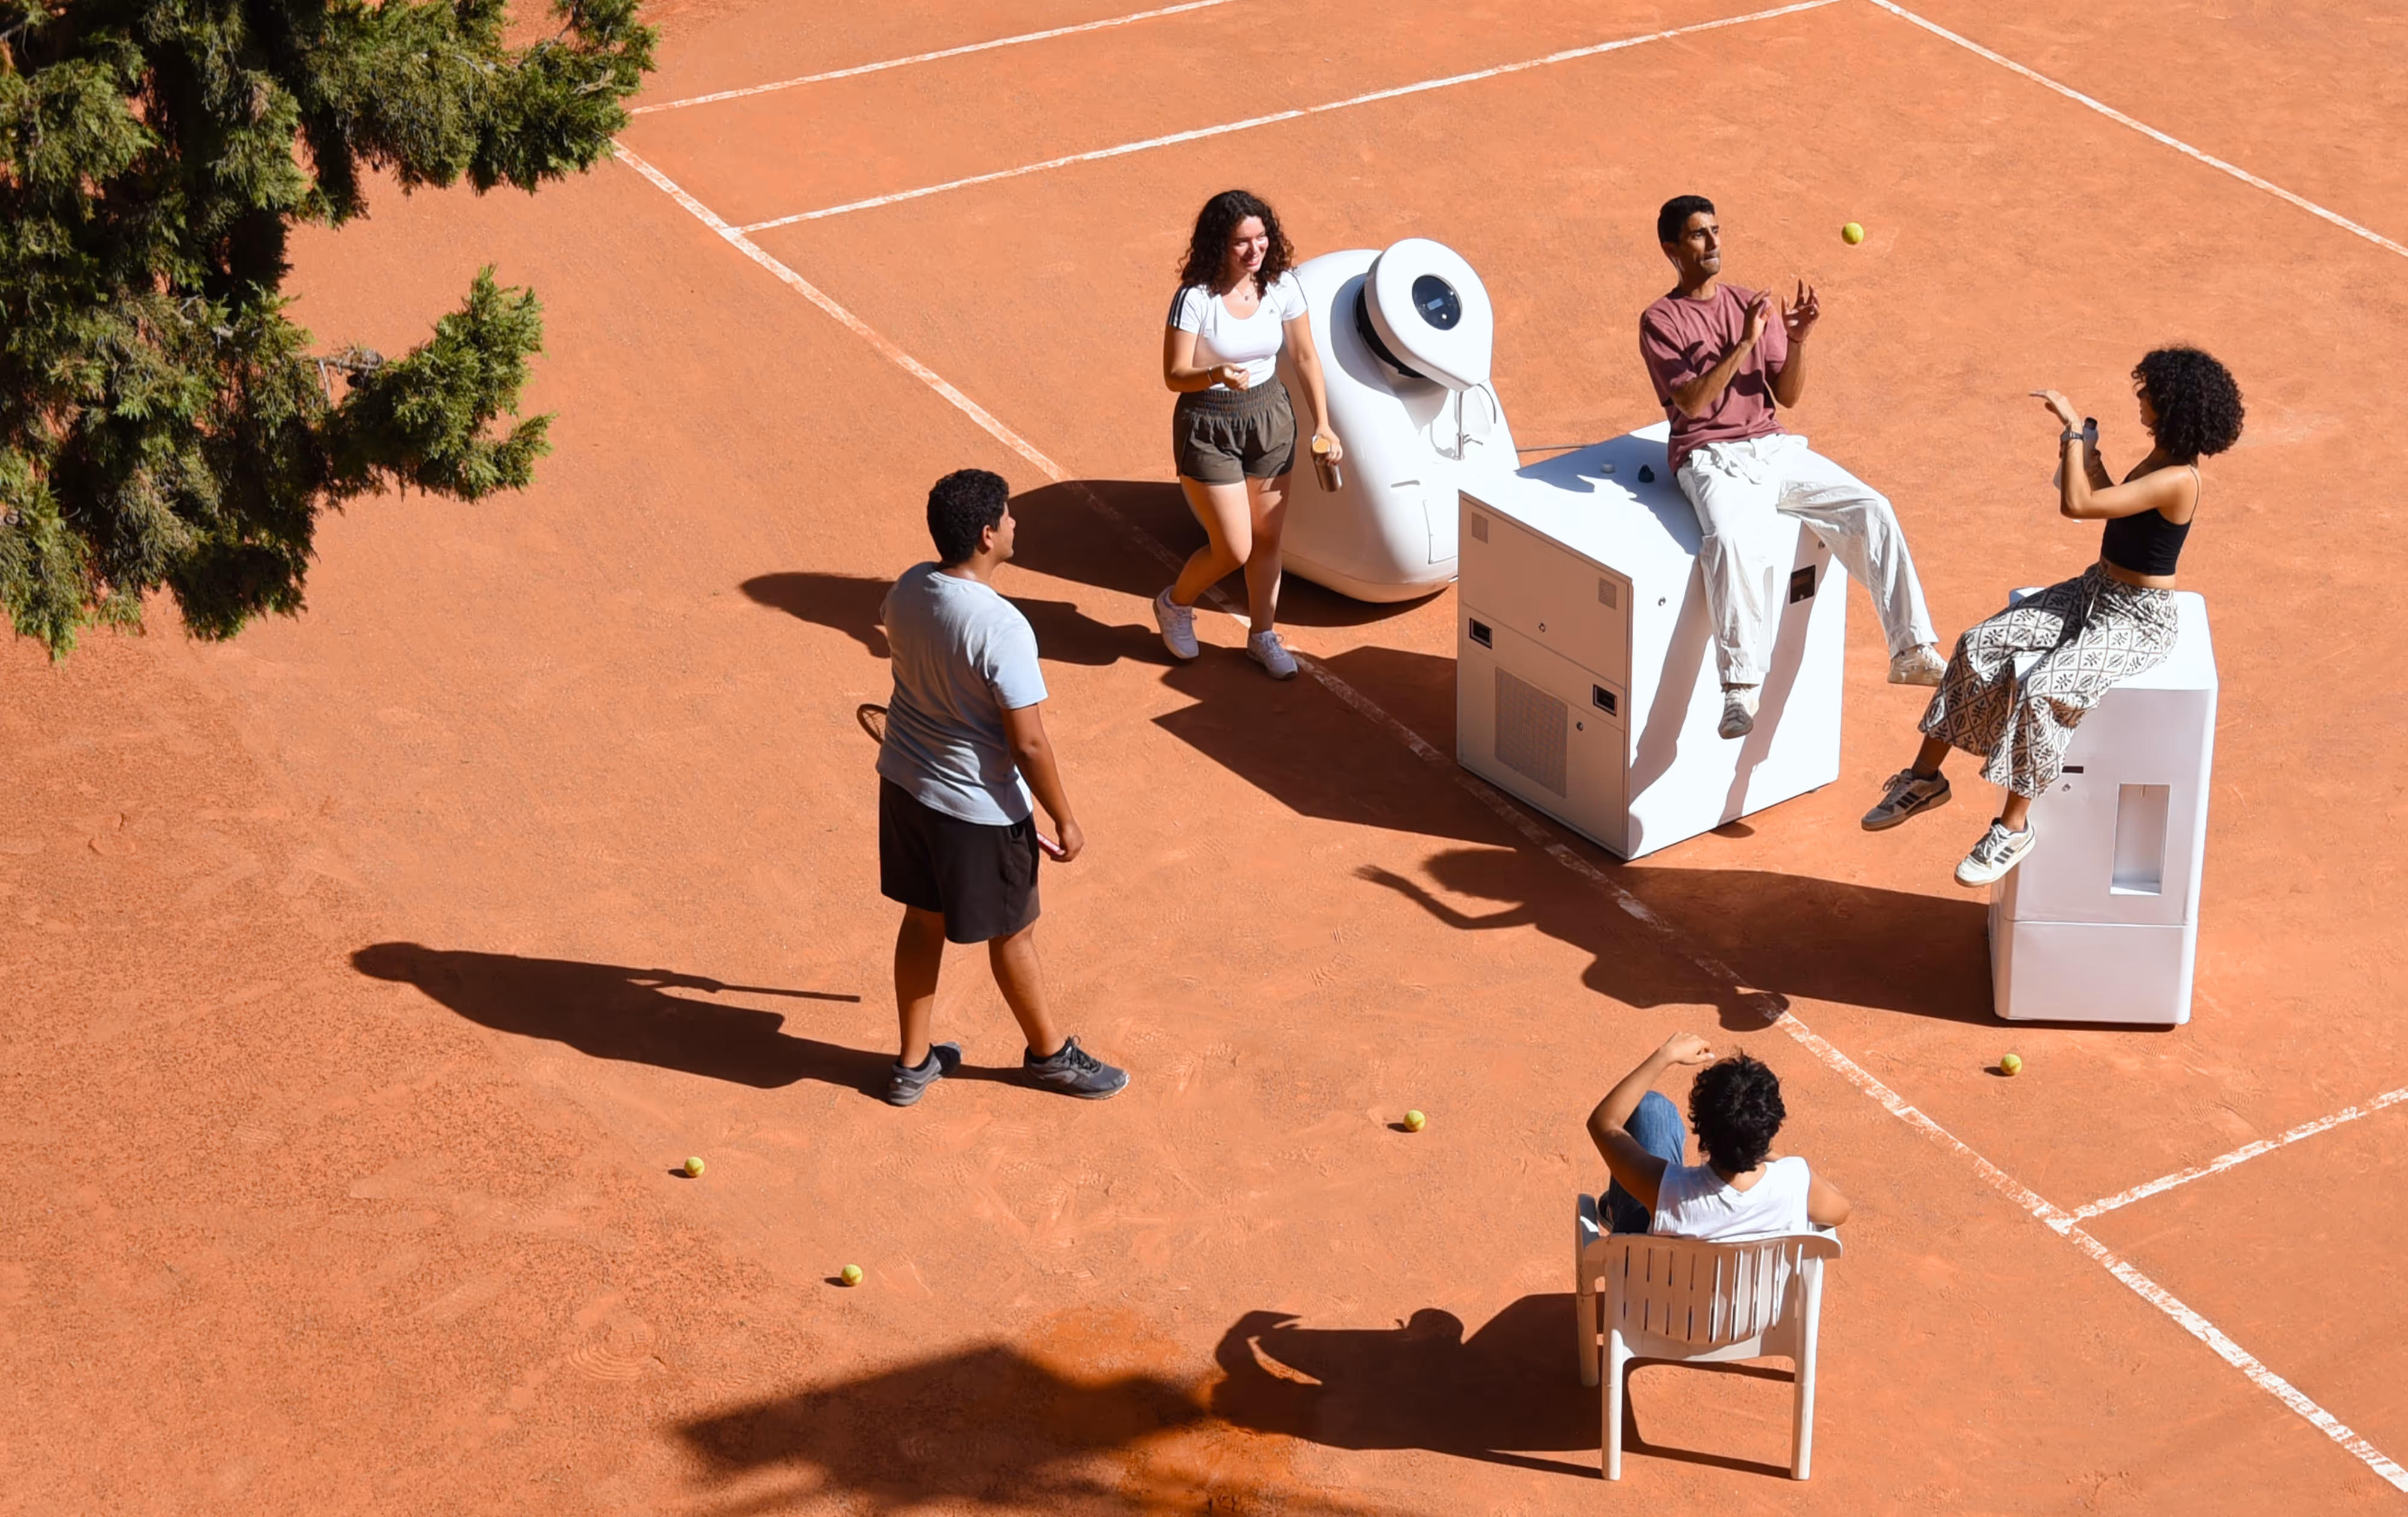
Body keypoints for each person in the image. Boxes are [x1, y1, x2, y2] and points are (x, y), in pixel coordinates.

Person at [1863, 347, 2245, 886]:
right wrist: (2087, 449)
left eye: (2149, 392)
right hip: (2095, 590)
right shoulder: (2161, 457)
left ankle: (2013, 827)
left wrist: (2070, 440)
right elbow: (2112, 498)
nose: (2140, 397)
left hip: (2138, 620)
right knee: (1981, 643)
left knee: (2047, 688)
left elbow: (2080, 507)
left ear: (2173, 405)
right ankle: (1925, 779)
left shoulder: (2181, 477)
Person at [1639, 194, 1944, 739]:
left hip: (1773, 447)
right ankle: (1739, 690)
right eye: (1697, 235)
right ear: (1671, 249)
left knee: (1871, 507)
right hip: (1710, 457)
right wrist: (1743, 343)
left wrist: (1797, 341)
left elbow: (1789, 394)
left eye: (1716, 230)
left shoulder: (1748, 303)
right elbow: (1692, 404)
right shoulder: (1662, 319)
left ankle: (1911, 647)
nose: (1713, 243)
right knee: (1730, 542)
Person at [875, 468, 1129, 1106]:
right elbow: (1028, 742)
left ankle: (913, 1064)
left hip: (906, 788)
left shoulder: (907, 589)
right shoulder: (1003, 627)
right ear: (988, 535)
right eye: (1009, 518)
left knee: (922, 919)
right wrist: (1065, 818)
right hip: (977, 809)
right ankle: (1048, 1057)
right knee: (1013, 933)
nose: (1017, 524)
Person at [1155, 188, 1342, 681]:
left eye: (1261, 238)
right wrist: (1215, 374)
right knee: (1233, 548)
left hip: (1270, 418)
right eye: (1242, 241)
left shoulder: (1281, 286)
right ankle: (1175, 604)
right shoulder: (1194, 298)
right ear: (1219, 243)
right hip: (1208, 423)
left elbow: (1304, 357)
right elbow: (1175, 375)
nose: (1255, 250)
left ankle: (1262, 635)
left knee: (1266, 540)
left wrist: (1323, 424)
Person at [1586, 1033, 1851, 1238]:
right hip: (1755, 1310)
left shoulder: (1665, 1192)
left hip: (1661, 1305)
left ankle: (1615, 1209)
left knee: (1650, 1107)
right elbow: (1841, 1209)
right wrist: (1755, 1144)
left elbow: (1604, 1122)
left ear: (1700, 1127)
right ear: (1771, 1127)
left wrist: (1665, 1055)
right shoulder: (1796, 1184)